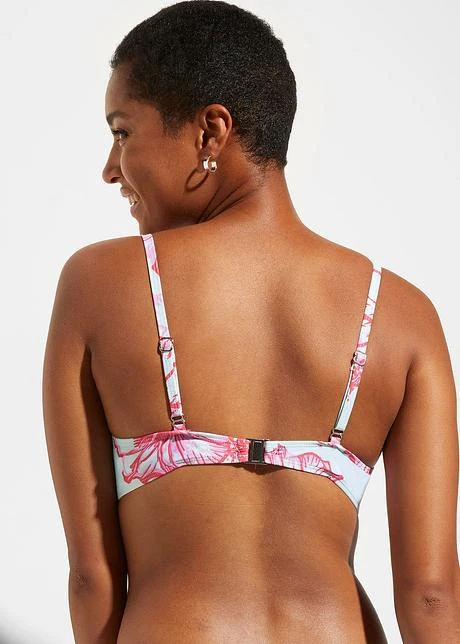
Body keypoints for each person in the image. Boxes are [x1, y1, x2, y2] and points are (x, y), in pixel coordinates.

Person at [42, 1, 460, 642]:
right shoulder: (403, 315)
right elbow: (432, 595)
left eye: (123, 132)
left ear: (210, 133)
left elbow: (90, 577)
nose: (110, 167)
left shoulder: (100, 283)